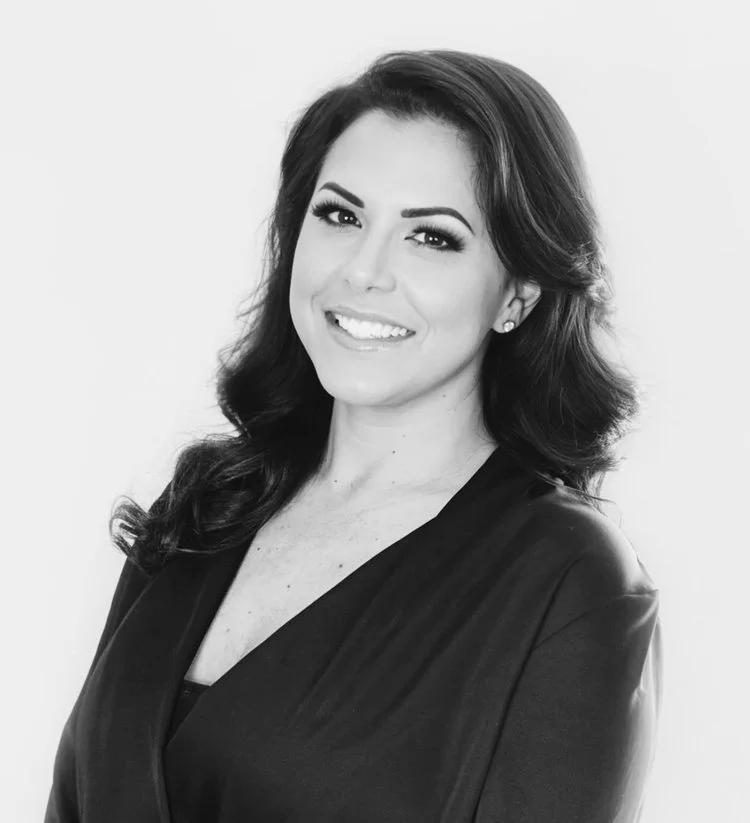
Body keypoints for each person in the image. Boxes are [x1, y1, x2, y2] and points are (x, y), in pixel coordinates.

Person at [45, 48, 662, 822]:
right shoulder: (210, 503)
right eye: (340, 215)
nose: (363, 271)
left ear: (518, 293)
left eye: (432, 236)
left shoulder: (569, 581)